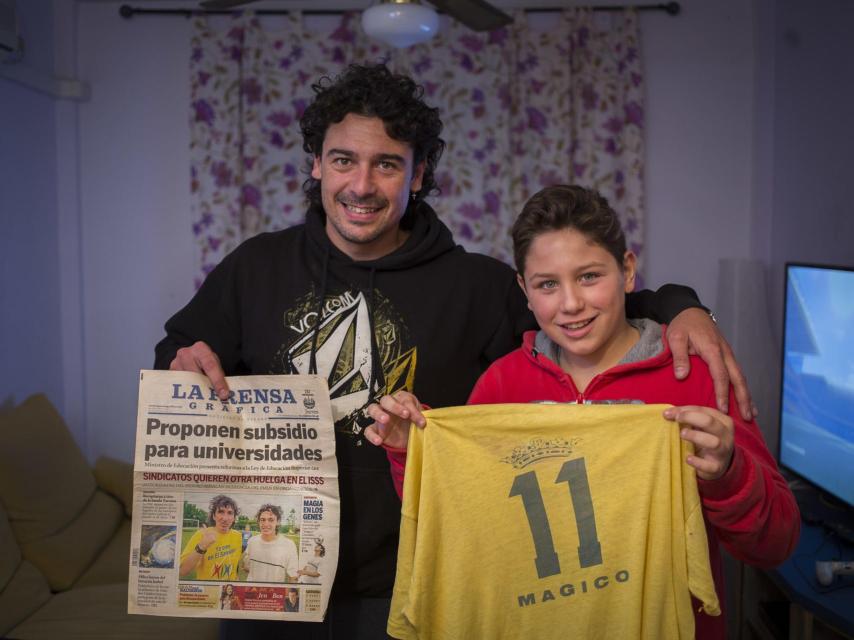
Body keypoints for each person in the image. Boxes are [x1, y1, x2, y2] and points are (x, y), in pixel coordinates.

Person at [155, 64, 753, 636]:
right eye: (343, 160)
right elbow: (176, 353)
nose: (362, 185)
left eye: (387, 165)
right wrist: (180, 360)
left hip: (415, 579)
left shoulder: (481, 286)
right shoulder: (254, 266)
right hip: (270, 576)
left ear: (416, 176)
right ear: (317, 165)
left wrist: (681, 303)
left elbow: (580, 312)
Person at [368, 185, 799, 640]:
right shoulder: (502, 383)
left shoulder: (695, 374)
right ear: (524, 291)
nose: (571, 304)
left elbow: (777, 544)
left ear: (628, 271)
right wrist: (410, 451)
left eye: (590, 276)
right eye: (548, 284)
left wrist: (729, 472)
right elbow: (461, 523)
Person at [179, 495, 242, 581]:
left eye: (230, 513)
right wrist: (202, 546)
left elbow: (234, 567)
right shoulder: (202, 534)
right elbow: (182, 571)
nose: (225, 518)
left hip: (229, 589)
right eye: (221, 512)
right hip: (208, 591)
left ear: (234, 518)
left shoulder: (238, 536)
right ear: (213, 516)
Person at [242, 504, 299, 583]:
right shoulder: (252, 541)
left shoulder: (289, 545)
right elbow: (247, 565)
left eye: (271, 520)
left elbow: (293, 577)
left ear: (278, 522)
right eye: (262, 520)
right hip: (252, 592)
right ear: (258, 522)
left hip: (275, 593)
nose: (266, 524)